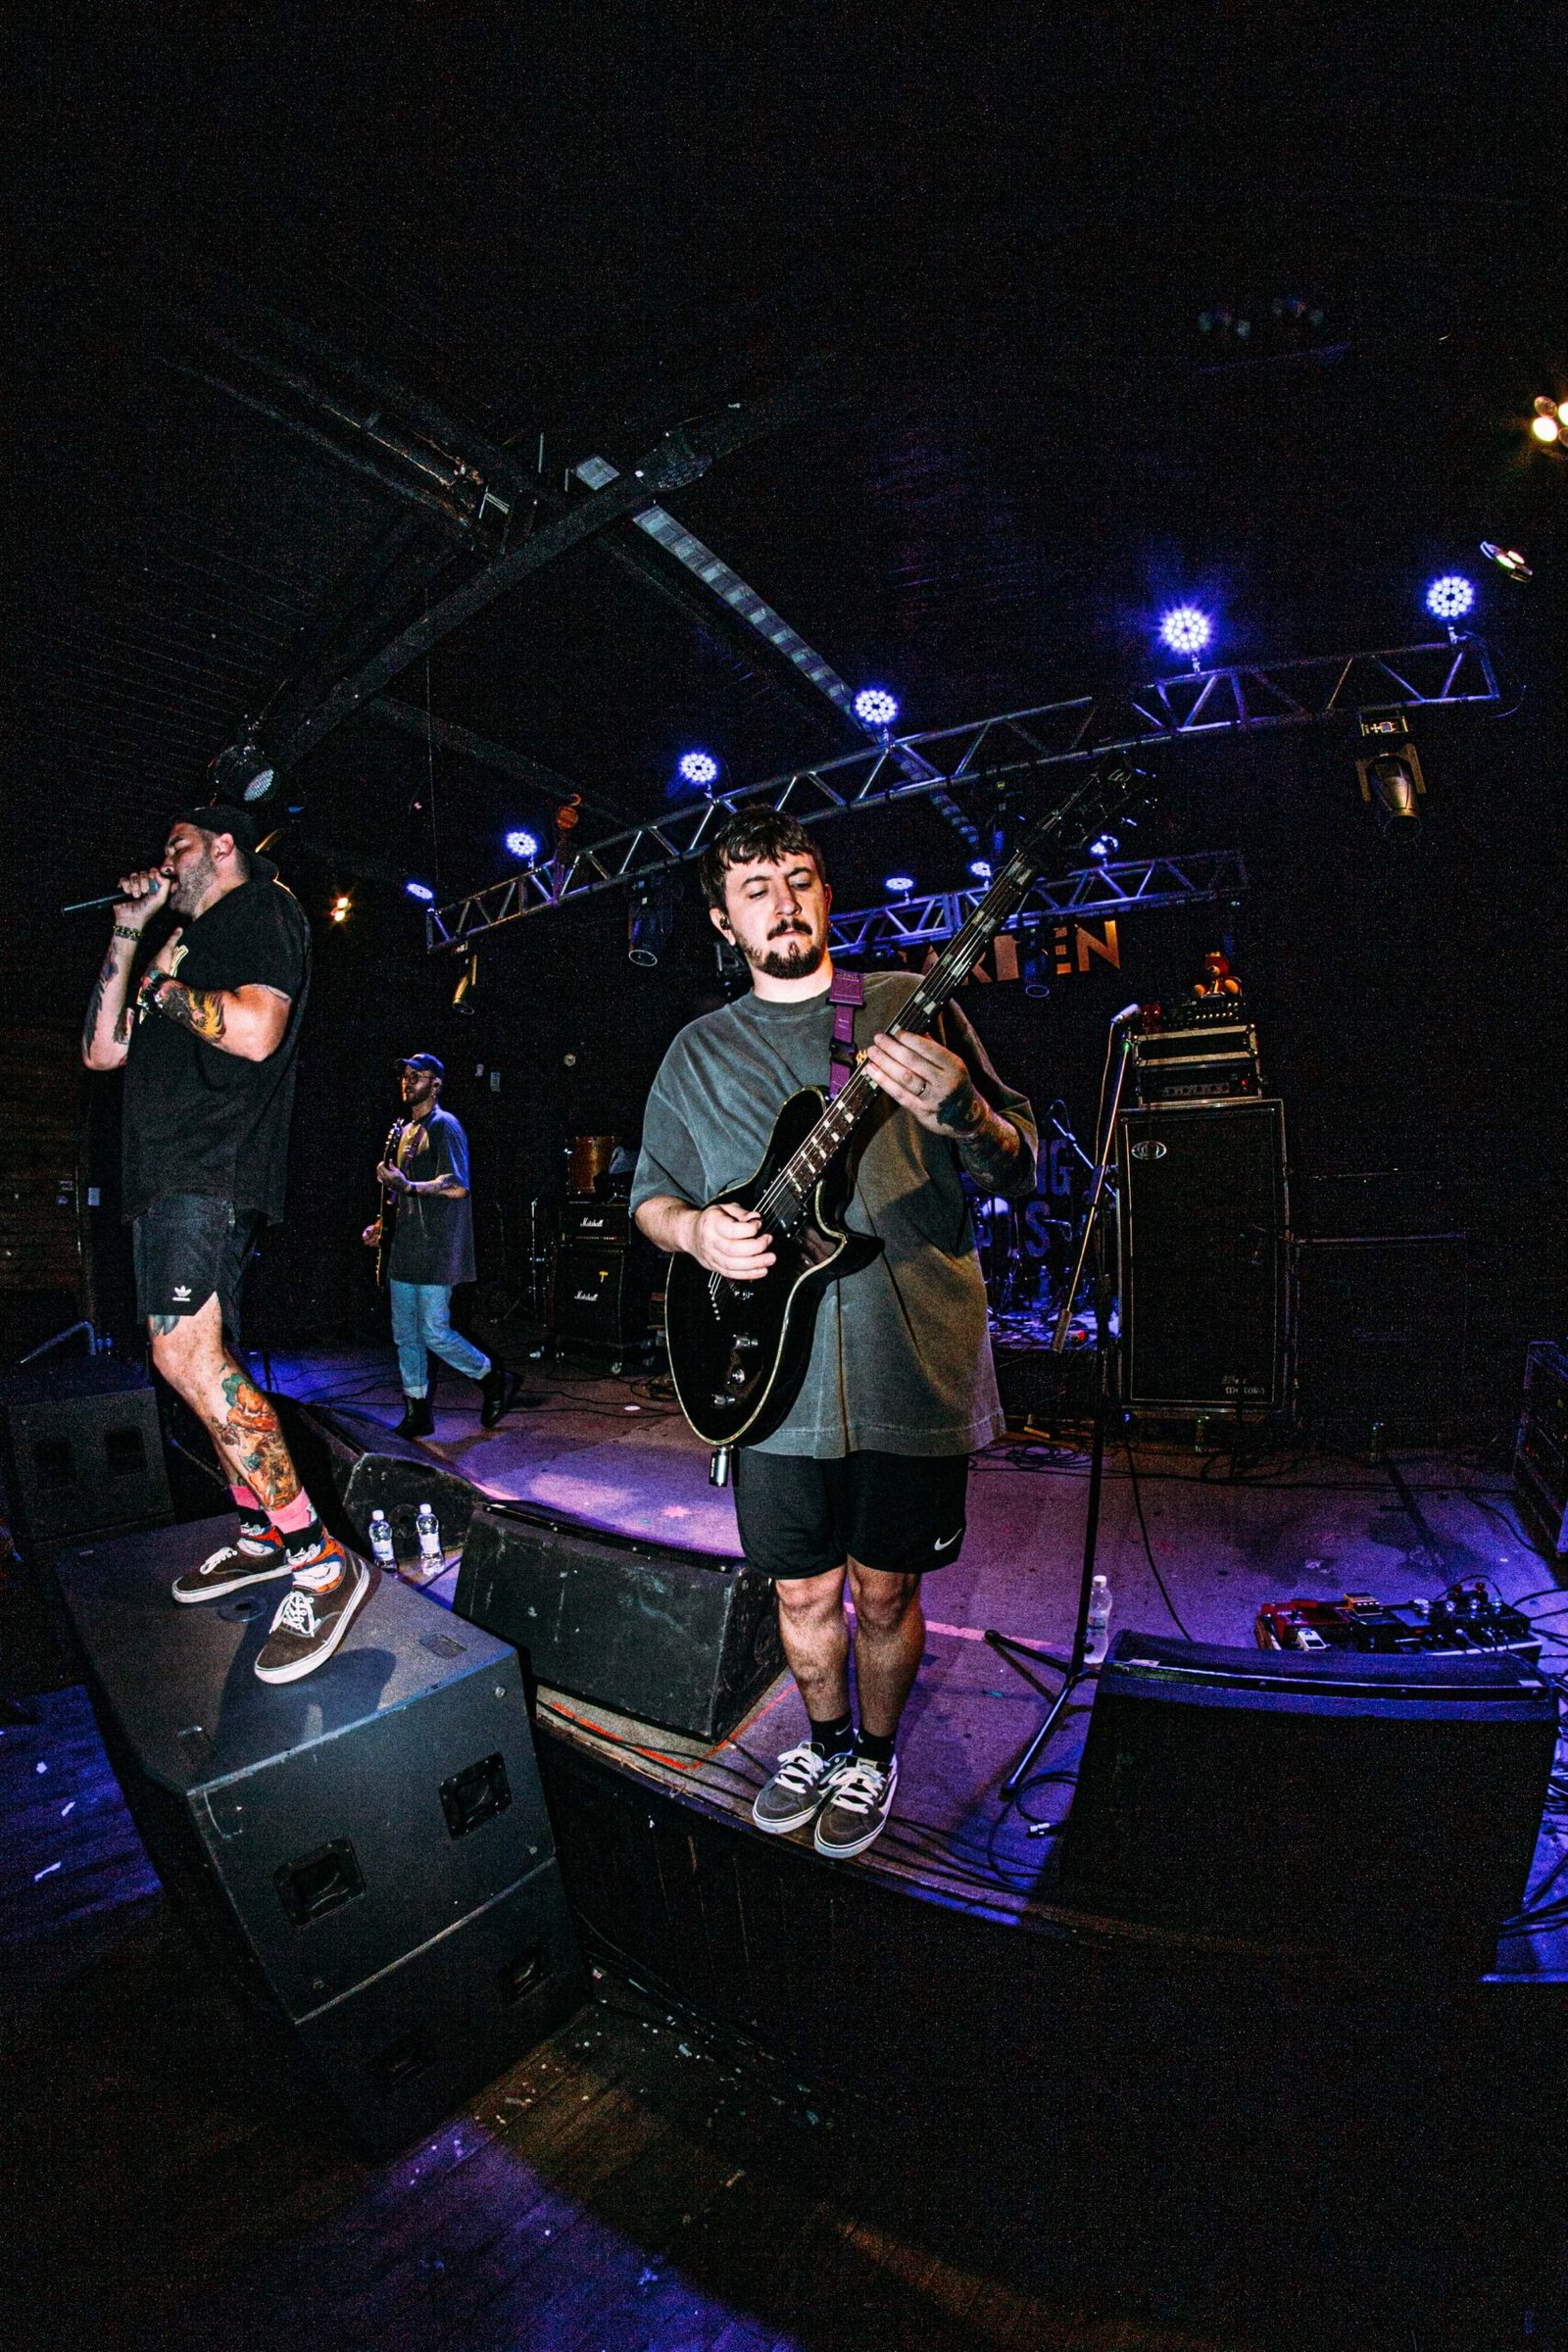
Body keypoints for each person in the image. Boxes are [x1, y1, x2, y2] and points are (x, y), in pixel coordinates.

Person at [632, 810, 1037, 1859]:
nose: (784, 903)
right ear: (722, 922)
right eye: (756, 889)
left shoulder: (906, 1006)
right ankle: (821, 1743)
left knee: (885, 1590)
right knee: (801, 1587)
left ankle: (875, 1756)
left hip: (907, 1363)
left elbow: (1019, 1162)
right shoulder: (696, 1052)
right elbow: (652, 1199)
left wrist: (968, 1117)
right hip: (766, 1377)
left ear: (825, 891)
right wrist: (695, 1233)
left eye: (800, 878)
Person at [82, 801, 375, 1683]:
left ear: (220, 847)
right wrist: (131, 931)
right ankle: (258, 1532)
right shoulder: (179, 941)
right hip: (166, 1176)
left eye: (175, 846)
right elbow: (102, 1051)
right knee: (198, 1366)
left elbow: (254, 1030)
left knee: (186, 1358)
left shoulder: (261, 910)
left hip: (208, 1169)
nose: (163, 861)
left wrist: (162, 986)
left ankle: (320, 1561)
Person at [361, 1054, 513, 1437]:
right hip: (405, 1246)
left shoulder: (445, 1126)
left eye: (417, 1076)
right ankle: (416, 1412)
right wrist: (382, 1225)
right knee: (405, 1335)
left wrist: (408, 1186)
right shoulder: (405, 1130)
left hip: (436, 1247)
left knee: (434, 1332)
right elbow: (400, 1192)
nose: (407, 1081)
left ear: (436, 1084)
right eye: (405, 1076)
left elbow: (457, 1185)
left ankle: (493, 1377)